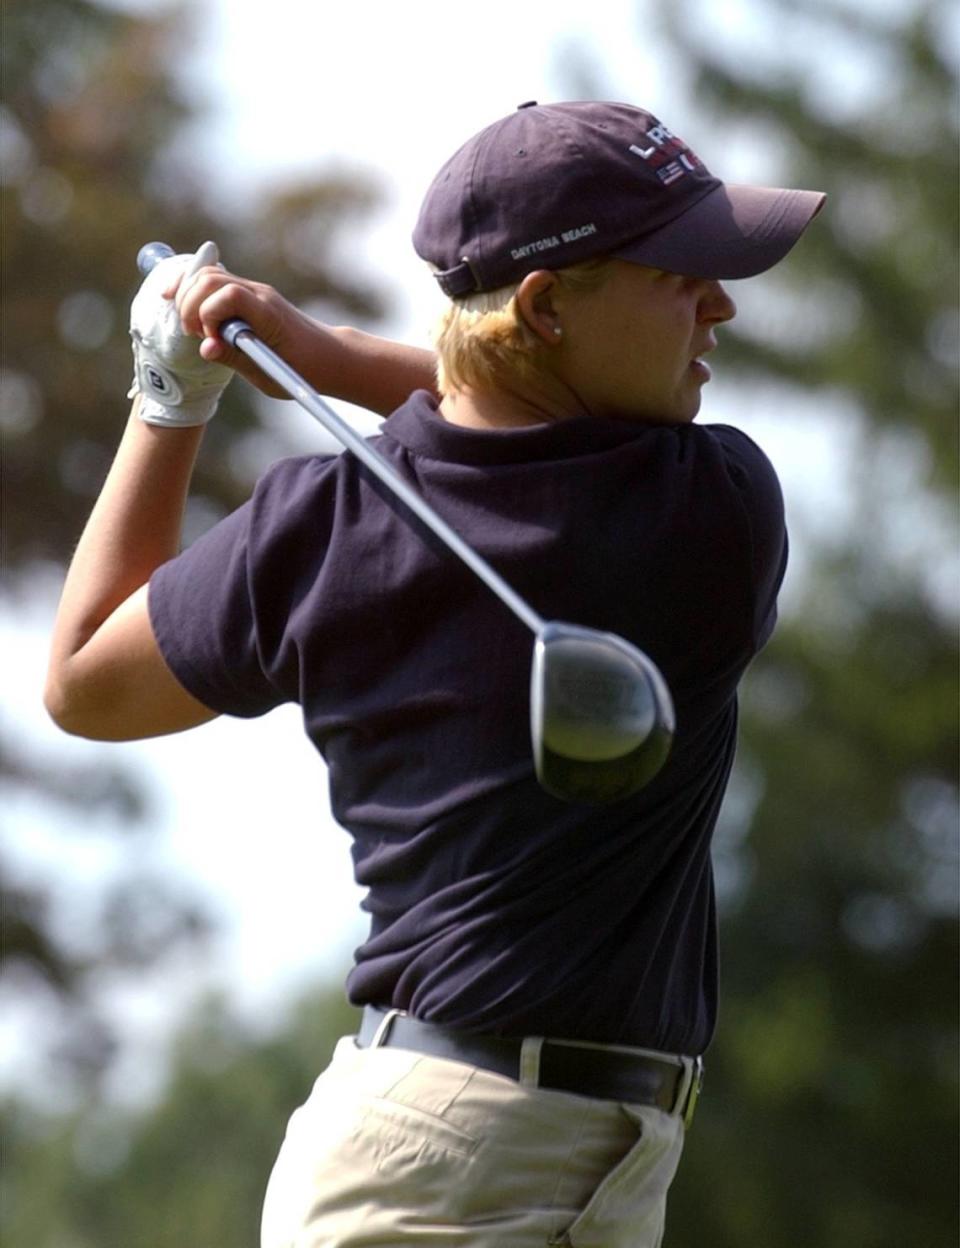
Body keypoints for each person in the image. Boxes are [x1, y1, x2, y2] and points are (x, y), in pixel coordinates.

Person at [45, 101, 825, 1247]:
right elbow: (84, 692)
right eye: (680, 273)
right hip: (435, 1171)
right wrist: (330, 356)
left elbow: (82, 673)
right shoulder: (713, 504)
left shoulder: (326, 524)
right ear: (548, 306)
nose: (721, 303)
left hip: (556, 1161)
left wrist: (172, 399)